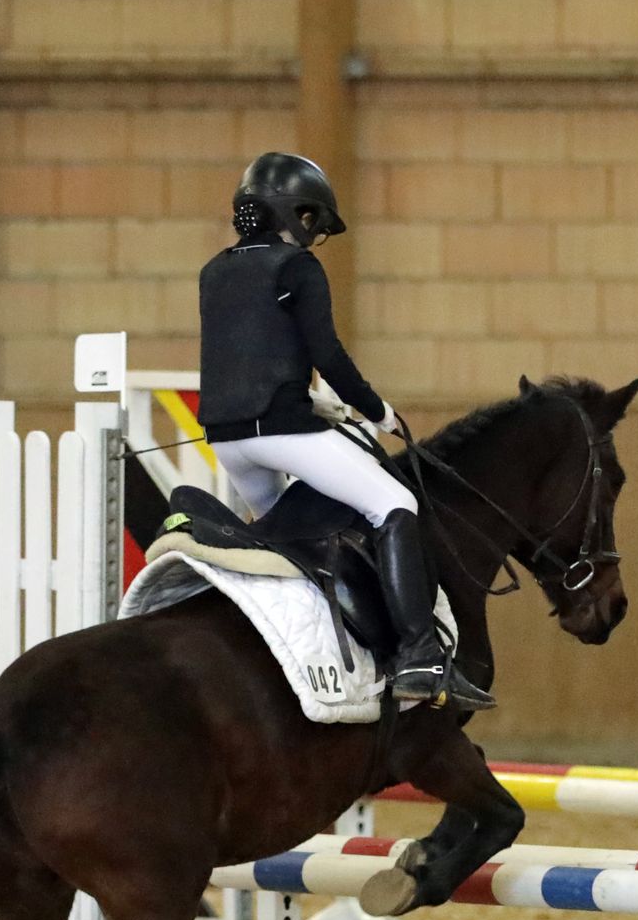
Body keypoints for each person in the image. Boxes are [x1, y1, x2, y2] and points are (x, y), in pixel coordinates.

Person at [197, 150, 492, 712]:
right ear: (294, 212)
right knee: (395, 504)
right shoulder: (297, 268)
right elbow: (326, 353)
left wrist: (311, 402)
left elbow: (238, 357)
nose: (313, 232)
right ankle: (419, 656)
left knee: (286, 537)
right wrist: (375, 409)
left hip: (229, 444)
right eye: (311, 218)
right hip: (283, 435)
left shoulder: (215, 270)